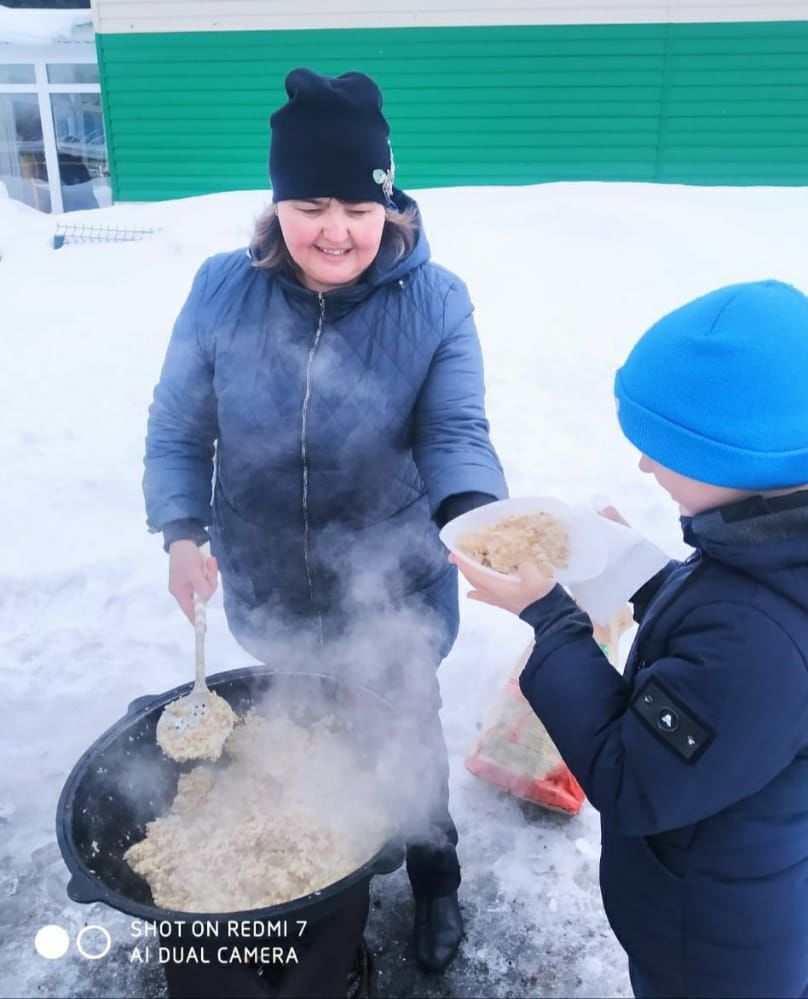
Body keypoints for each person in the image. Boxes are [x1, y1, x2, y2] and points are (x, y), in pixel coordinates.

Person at [143, 66, 507, 990]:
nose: (334, 230)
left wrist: (474, 520)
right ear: (276, 207)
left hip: (393, 585)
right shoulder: (223, 290)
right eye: (309, 203)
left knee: (406, 737)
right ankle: (300, 877)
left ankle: (434, 878)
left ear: (389, 202)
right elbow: (181, 426)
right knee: (296, 732)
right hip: (268, 584)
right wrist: (182, 530)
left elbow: (457, 433)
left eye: (356, 204)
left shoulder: (436, 301)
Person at [450, 280, 808, 998]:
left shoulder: (759, 640)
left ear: (739, 458)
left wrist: (552, 621)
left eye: (662, 449)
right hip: (730, 894)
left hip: (712, 948)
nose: (645, 466)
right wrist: (630, 566)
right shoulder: (774, 543)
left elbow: (631, 776)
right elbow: (719, 613)